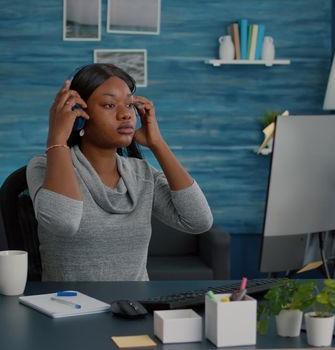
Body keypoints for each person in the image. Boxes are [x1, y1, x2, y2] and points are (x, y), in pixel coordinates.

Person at [26, 63, 213, 281]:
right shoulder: (43, 167)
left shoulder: (141, 173)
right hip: (68, 308)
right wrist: (57, 138)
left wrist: (158, 144)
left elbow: (198, 221)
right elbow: (63, 222)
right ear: (78, 117)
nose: (125, 114)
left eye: (129, 105)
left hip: (133, 308)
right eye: (109, 105)